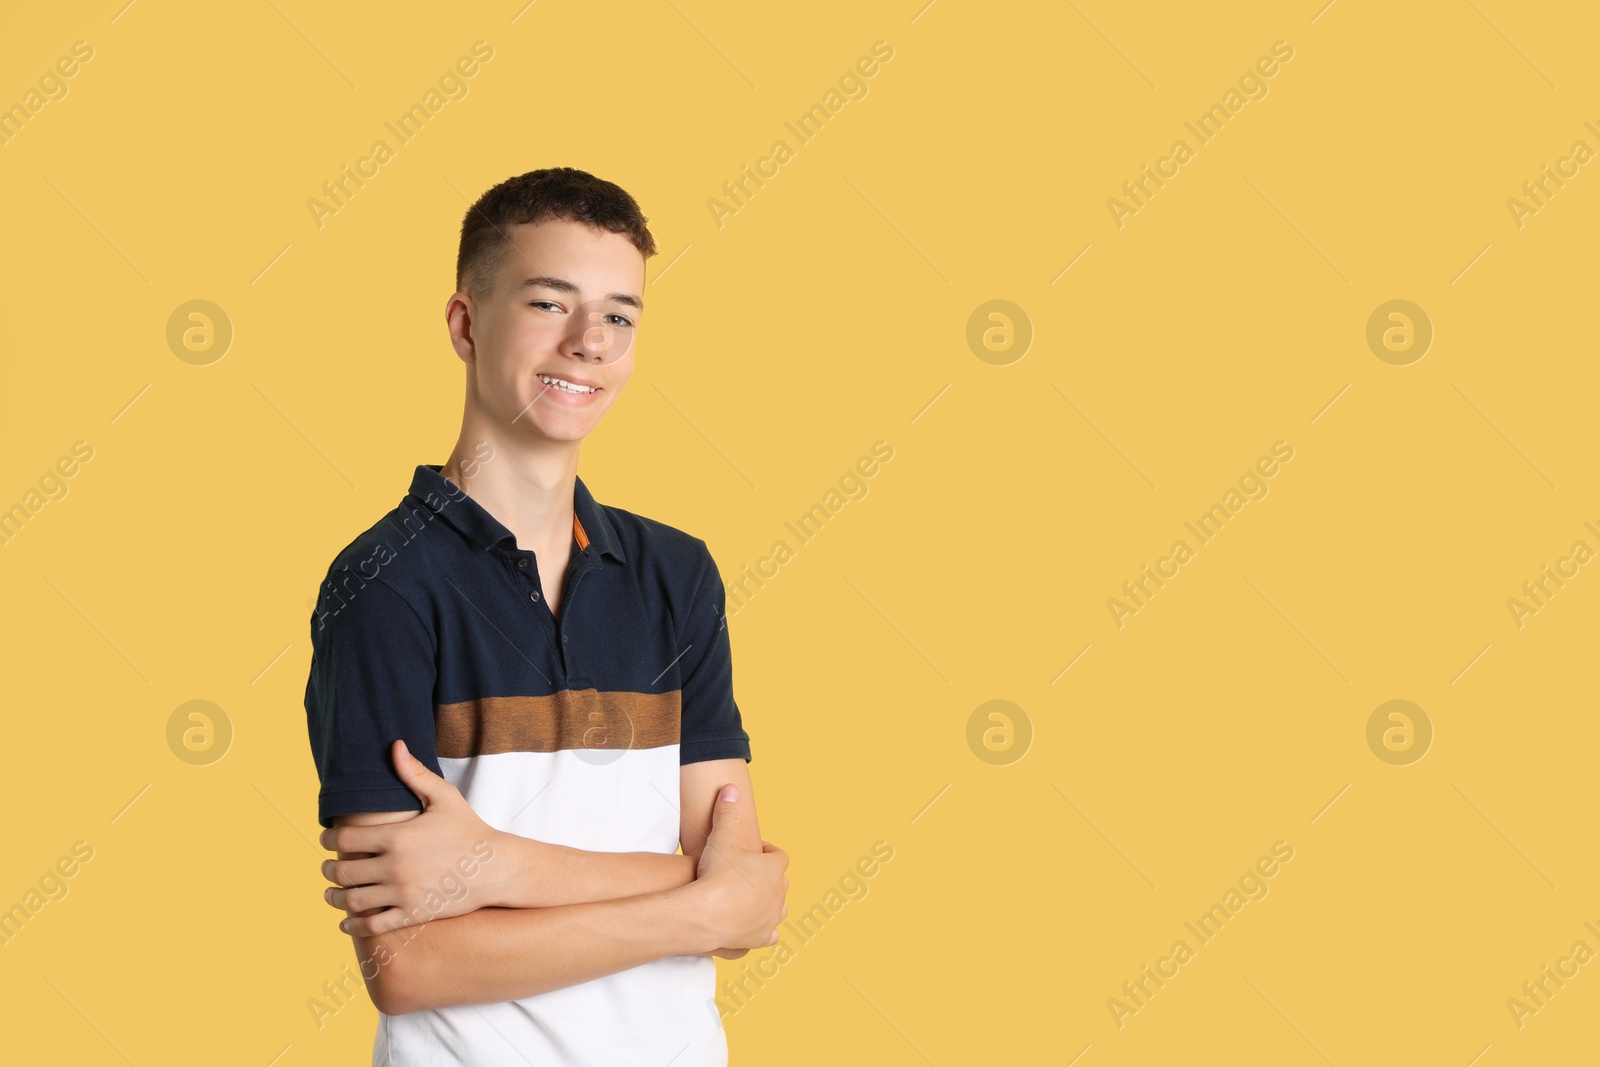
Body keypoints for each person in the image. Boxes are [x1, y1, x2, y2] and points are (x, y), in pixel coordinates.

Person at [302, 166, 788, 1066]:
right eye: (548, 303)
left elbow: (750, 899)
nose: (589, 342)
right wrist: (702, 899)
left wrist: (496, 867)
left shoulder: (676, 574)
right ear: (465, 323)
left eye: (618, 315)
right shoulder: (380, 585)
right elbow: (407, 963)